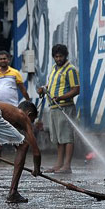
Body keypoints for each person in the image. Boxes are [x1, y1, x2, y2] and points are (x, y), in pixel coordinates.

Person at [36, 44, 79, 174]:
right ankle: (58, 164)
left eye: (61, 56)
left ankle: (67, 166)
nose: (58, 59)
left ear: (65, 56)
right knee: (58, 139)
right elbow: (50, 85)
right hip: (54, 108)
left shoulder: (70, 70)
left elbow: (76, 90)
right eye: (56, 56)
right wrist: (43, 90)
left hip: (65, 108)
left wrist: (61, 97)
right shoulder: (54, 69)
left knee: (67, 137)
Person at [0, 50, 30, 162]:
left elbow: (22, 88)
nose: (3, 60)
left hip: (12, 107)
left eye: (5, 58)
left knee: (15, 130)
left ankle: (20, 152)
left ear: (8, 60)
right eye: (1, 59)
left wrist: (28, 102)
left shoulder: (15, 73)